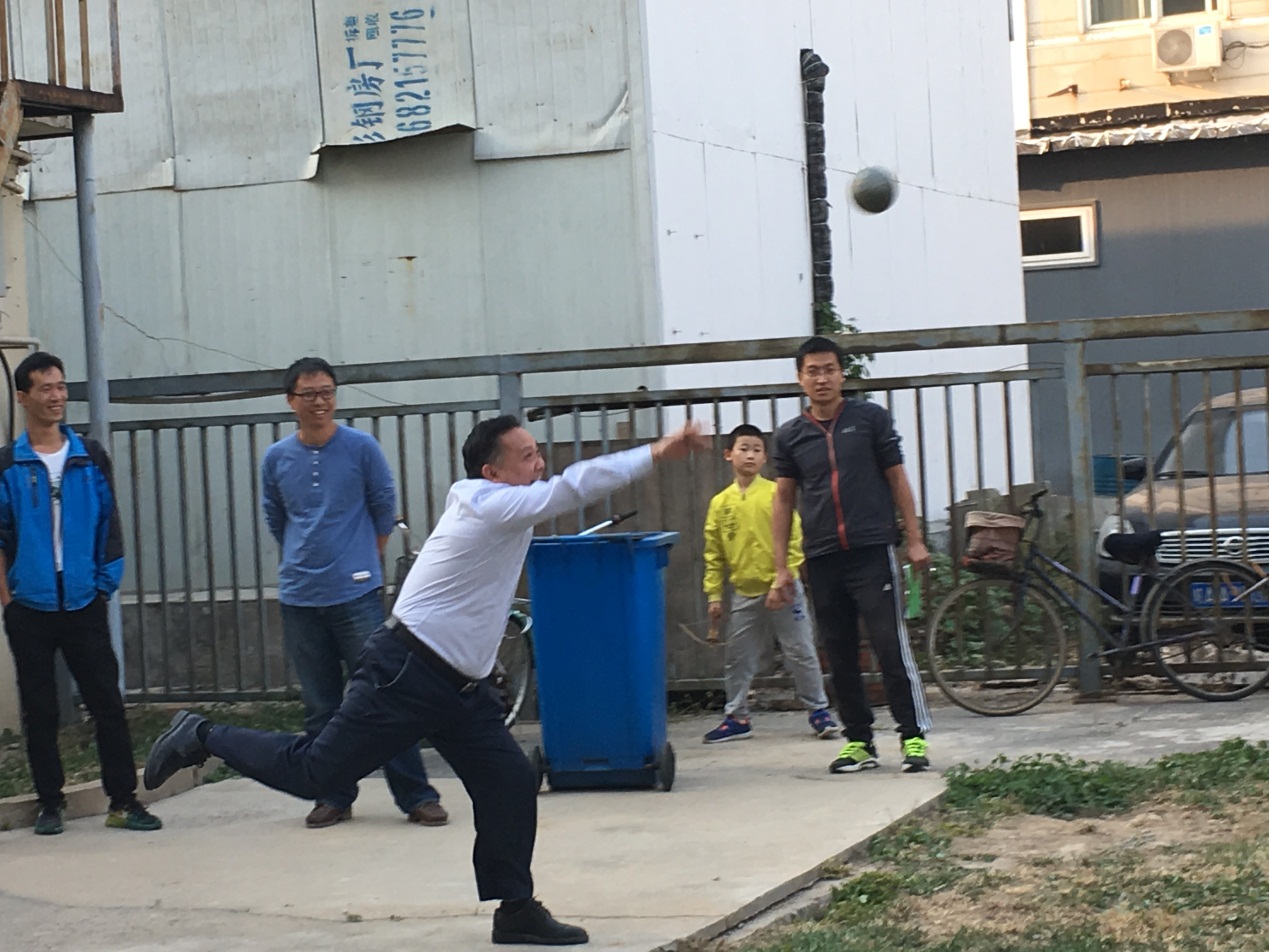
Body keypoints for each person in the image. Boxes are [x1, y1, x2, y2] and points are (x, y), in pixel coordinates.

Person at [144, 414, 708, 945]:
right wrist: (657, 452)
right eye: (527, 456)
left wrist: (485, 668)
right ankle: (202, 735)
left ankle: (516, 910)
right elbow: (573, 487)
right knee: (317, 771)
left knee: (510, 781)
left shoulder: (501, 507)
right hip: (406, 672)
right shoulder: (489, 503)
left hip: (461, 687)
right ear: (492, 472)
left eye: (539, 454)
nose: (540, 465)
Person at [262, 356, 445, 829]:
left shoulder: (361, 448)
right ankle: (333, 795)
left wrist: (365, 558)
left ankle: (416, 795)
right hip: (300, 596)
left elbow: (383, 506)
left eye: (327, 392)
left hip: (356, 593)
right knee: (320, 705)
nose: (319, 402)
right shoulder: (277, 458)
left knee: (384, 695)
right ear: (291, 401)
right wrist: (303, 555)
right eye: (309, 394)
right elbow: (277, 517)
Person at [0, 352, 161, 835]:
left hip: (84, 601)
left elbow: (109, 523)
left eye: (61, 386)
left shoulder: (89, 456)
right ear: (22, 397)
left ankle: (123, 801)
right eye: (45, 388)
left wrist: (103, 585)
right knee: (40, 709)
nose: (57, 397)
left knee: (106, 703)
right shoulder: (8, 464)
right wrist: (8, 598)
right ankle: (51, 804)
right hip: (29, 606)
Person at [770, 337, 933, 775]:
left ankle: (912, 736)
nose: (821, 378)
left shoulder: (870, 419)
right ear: (800, 378)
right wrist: (781, 567)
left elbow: (897, 479)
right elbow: (783, 501)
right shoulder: (790, 436)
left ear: (842, 374)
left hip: (872, 550)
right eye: (812, 371)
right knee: (839, 653)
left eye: (829, 369)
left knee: (889, 645)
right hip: (822, 556)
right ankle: (859, 742)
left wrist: (914, 538)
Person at [701, 424, 839, 744]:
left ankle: (819, 711)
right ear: (728, 454)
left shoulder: (777, 493)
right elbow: (714, 553)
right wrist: (714, 595)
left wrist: (783, 576)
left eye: (756, 450)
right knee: (738, 657)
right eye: (743, 448)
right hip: (744, 592)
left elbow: (794, 539)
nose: (750, 455)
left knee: (800, 650)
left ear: (765, 457)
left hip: (784, 588)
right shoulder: (720, 503)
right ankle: (737, 716)